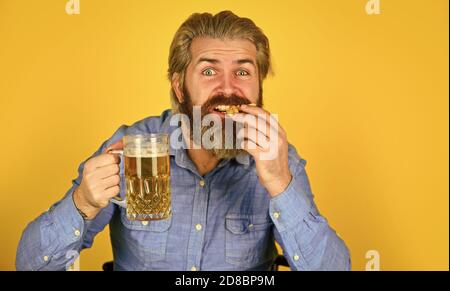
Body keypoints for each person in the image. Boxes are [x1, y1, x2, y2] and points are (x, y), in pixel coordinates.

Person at [16, 10, 350, 271]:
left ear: (259, 85)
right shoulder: (133, 148)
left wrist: (280, 184)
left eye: (243, 71)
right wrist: (83, 203)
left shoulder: (278, 159)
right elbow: (30, 264)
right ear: (179, 87)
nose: (228, 87)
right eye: (208, 71)